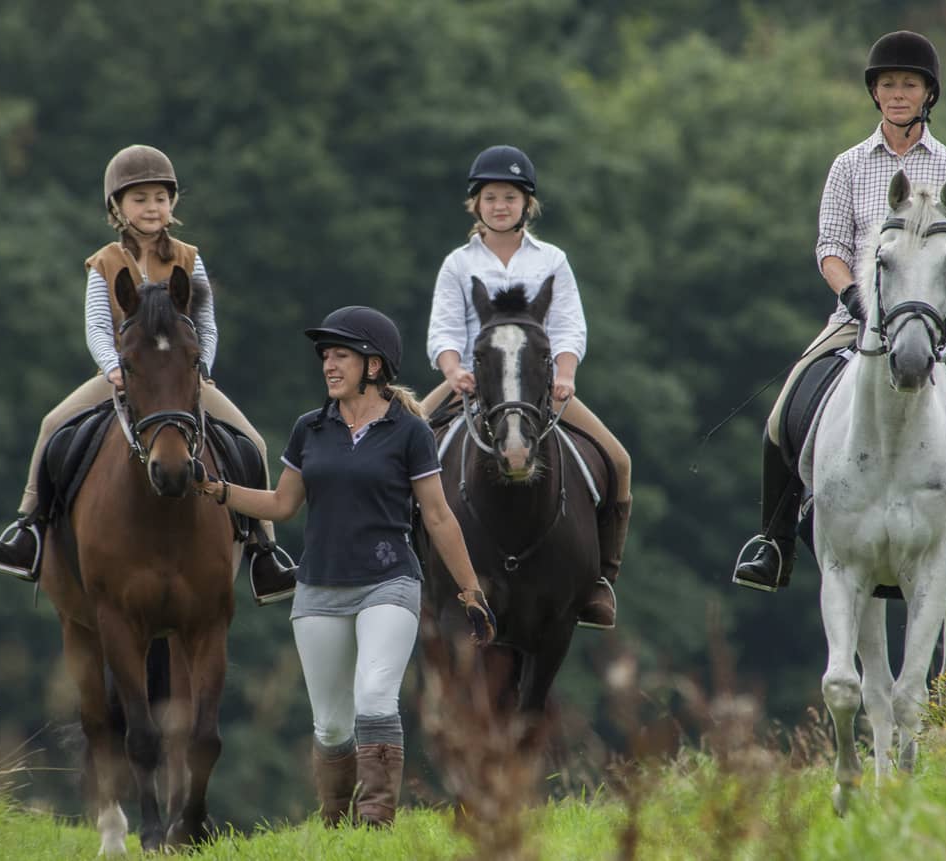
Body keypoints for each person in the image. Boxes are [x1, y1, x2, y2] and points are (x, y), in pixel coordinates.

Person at [731, 31, 946, 593]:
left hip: (942, 324)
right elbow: (830, 247)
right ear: (875, 93)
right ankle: (774, 542)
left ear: (928, 94)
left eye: (909, 84)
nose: (897, 93)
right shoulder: (849, 166)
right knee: (781, 415)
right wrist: (853, 298)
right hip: (856, 322)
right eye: (888, 84)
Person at [200, 306, 496, 828]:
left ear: (374, 366)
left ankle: (376, 823)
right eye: (326, 357)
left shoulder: (409, 432)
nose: (329, 366)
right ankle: (338, 828)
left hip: (390, 582)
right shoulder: (309, 429)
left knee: (376, 695)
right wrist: (219, 491)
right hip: (317, 589)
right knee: (332, 726)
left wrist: (470, 591)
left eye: (341, 355)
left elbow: (438, 515)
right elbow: (281, 505)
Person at [0, 144, 298, 603]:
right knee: (52, 425)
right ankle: (28, 528)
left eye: (160, 198)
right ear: (117, 207)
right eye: (140, 199)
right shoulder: (105, 262)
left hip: (181, 381)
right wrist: (113, 369)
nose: (152, 208)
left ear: (172, 204)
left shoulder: (190, 259)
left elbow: (206, 324)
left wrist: (202, 370)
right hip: (122, 378)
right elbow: (95, 325)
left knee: (254, 441)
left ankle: (264, 550)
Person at [421, 145, 634, 630]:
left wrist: (565, 374)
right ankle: (407, 570)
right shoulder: (458, 263)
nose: (501, 206)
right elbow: (445, 331)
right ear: (476, 203)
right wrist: (453, 370)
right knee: (399, 451)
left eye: (511, 198)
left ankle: (600, 581)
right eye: (491, 197)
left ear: (526, 205)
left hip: (539, 388)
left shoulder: (552, 260)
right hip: (473, 384)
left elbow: (568, 327)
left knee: (619, 460)